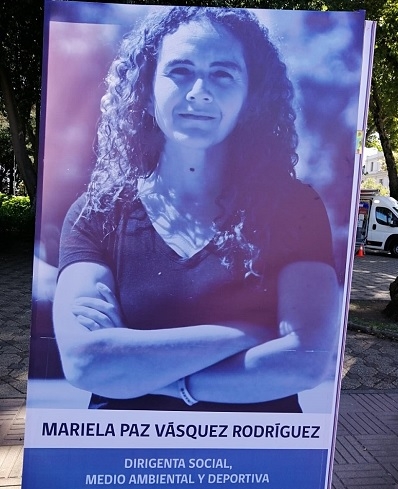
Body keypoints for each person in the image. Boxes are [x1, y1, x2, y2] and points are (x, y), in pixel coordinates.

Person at [53, 6, 339, 413]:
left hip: (259, 466)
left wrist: (165, 380)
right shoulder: (97, 213)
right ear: (146, 92)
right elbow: (87, 362)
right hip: (122, 463)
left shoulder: (294, 208)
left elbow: (306, 362)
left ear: (250, 98)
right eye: (180, 70)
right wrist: (247, 332)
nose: (199, 91)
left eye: (223, 74)